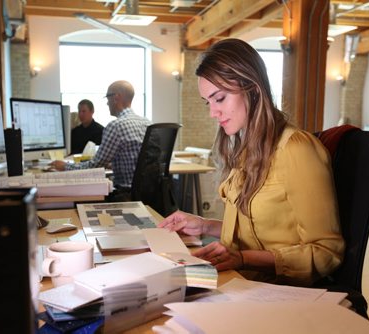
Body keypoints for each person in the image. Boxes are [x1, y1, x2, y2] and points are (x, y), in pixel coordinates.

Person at [158, 38, 345, 287]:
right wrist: (204, 225)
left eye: (220, 98)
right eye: (208, 102)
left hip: (278, 291)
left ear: (252, 88)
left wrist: (243, 259)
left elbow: (326, 253)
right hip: (242, 281)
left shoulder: (296, 149)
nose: (213, 113)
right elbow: (255, 231)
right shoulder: (248, 148)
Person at [50, 80, 151, 194]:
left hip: (125, 193)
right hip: (148, 192)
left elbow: (94, 166)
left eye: (107, 97)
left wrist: (65, 167)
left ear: (116, 97)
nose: (107, 103)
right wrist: (114, 163)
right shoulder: (147, 123)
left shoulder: (116, 126)